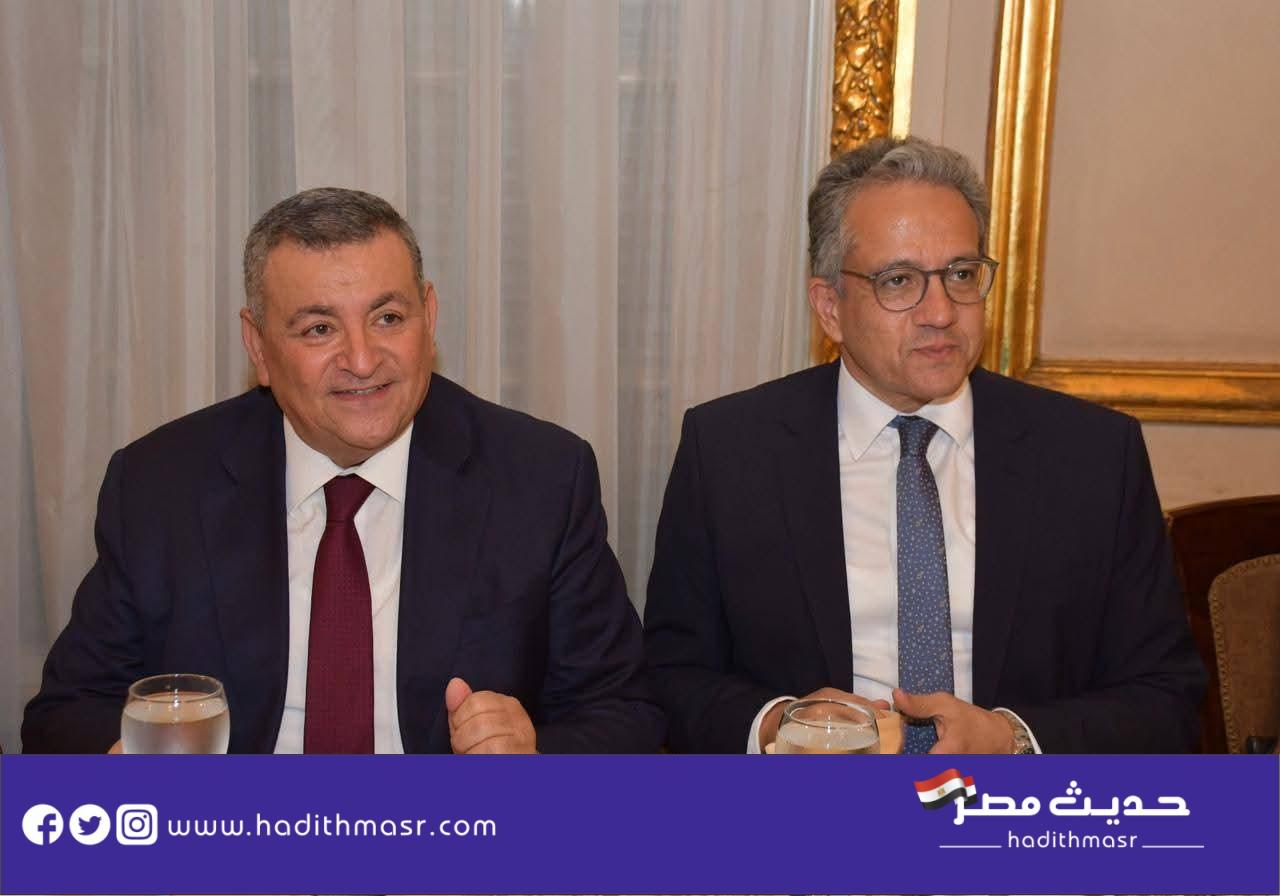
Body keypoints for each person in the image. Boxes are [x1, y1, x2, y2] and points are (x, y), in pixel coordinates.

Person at [23, 187, 663, 754]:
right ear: (258, 347)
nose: (362, 359)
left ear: (429, 318)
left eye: (388, 318)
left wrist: (534, 754)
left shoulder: (540, 476)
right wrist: (132, 767)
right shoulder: (161, 483)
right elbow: (65, 714)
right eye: (318, 328)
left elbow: (626, 713)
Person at [643, 136, 1204, 754]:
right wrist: (781, 725)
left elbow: (1166, 697)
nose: (940, 311)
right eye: (899, 280)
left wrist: (1014, 739)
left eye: (961, 274)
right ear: (829, 308)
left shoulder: (1092, 455)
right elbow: (670, 677)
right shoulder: (730, 451)